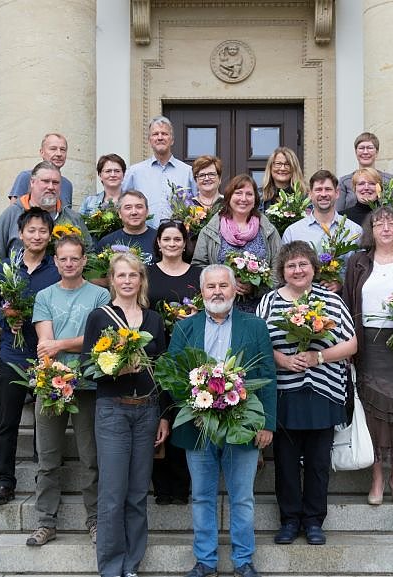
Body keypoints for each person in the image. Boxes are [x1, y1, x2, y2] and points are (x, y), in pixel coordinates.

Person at [168, 264, 276, 577]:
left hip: (242, 424)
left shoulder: (254, 326)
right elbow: (173, 374)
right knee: (202, 496)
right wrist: (192, 405)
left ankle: (243, 560)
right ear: (201, 292)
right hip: (198, 426)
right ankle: (205, 561)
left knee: (242, 498)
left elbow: (267, 375)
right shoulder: (185, 327)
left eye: (223, 285)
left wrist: (267, 423)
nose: (217, 292)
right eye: (211, 286)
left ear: (234, 289)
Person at [255, 242, 356, 546]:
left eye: (303, 264)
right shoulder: (269, 301)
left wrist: (318, 357)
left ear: (314, 268)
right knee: (285, 462)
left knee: (318, 462)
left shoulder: (331, 300)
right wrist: (283, 361)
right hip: (283, 393)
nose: (297, 270)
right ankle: (289, 520)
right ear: (282, 270)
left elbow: (351, 344)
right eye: (291, 266)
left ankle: (313, 521)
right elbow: (258, 343)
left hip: (324, 391)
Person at [82, 252, 169, 577]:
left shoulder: (154, 320)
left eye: (133, 275)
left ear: (141, 280)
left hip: (147, 411)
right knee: (112, 494)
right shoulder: (100, 317)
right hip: (113, 411)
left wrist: (163, 415)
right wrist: (114, 370)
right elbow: (87, 367)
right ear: (112, 280)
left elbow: (163, 371)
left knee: (137, 494)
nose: (128, 281)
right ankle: (110, 566)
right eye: (121, 275)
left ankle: (131, 564)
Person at [27, 234, 111, 546]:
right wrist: (59, 350)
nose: (69, 263)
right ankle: (45, 522)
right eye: (63, 258)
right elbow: (44, 346)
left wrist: (60, 344)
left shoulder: (100, 295)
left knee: (91, 457)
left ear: (84, 260)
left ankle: (95, 520)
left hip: (88, 384)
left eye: (75, 258)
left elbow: (98, 340)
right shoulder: (45, 296)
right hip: (50, 384)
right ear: (55, 261)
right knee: (48, 458)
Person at [341, 207, 393, 506]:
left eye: (391, 223)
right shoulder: (358, 262)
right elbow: (348, 302)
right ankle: (376, 476)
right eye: (379, 224)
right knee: (373, 413)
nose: (386, 228)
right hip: (368, 345)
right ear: (371, 231)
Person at [0, 208, 61, 505]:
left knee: (47, 422)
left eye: (43, 231)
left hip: (46, 355)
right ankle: (5, 481)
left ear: (50, 235)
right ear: (21, 234)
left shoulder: (56, 269)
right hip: (12, 354)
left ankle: (46, 478)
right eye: (31, 230)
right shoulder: (6, 267)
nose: (37, 236)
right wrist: (6, 320)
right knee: (7, 420)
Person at [144, 220, 201, 505]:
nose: (172, 244)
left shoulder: (198, 274)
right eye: (166, 239)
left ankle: (181, 486)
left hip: (188, 354)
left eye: (177, 239)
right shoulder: (147, 273)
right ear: (158, 242)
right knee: (158, 413)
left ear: (185, 243)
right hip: (154, 351)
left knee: (182, 414)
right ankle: (161, 487)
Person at [192, 175, 281, 314]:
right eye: (238, 193)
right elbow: (198, 267)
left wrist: (255, 289)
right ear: (229, 197)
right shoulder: (211, 230)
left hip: (260, 310)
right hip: (220, 310)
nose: (243, 199)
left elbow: (279, 269)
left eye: (249, 194)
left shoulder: (268, 230)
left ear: (255, 200)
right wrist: (225, 283)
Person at [0, 161, 92, 269]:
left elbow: (90, 255)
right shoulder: (11, 215)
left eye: (55, 182)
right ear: (32, 182)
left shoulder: (73, 218)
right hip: (21, 278)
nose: (50, 187)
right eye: (45, 181)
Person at [281, 170, 363, 292]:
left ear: (337, 193)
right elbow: (284, 270)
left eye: (328, 189)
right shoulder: (293, 232)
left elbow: (361, 270)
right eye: (318, 190)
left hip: (342, 298)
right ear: (310, 194)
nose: (323, 194)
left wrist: (342, 283)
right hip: (302, 299)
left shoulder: (354, 230)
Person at [124, 116, 195, 222]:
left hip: (178, 231)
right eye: (155, 134)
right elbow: (123, 203)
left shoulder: (188, 172)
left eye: (164, 134)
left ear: (172, 140)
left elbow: (197, 204)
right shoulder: (134, 172)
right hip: (143, 231)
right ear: (149, 141)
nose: (160, 137)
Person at [336, 132, 393, 212]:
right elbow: (337, 213)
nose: (365, 152)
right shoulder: (345, 181)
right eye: (361, 148)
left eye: (370, 148)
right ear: (356, 152)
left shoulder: (389, 180)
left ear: (376, 152)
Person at [10, 133, 75, 206]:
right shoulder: (26, 177)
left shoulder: (67, 185)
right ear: (42, 152)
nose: (59, 154)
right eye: (53, 149)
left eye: (63, 149)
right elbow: (14, 211)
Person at [96, 190, 158, 255]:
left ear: (147, 211)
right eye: (128, 208)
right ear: (119, 213)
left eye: (139, 207)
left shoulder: (159, 240)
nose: (134, 212)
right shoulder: (106, 243)